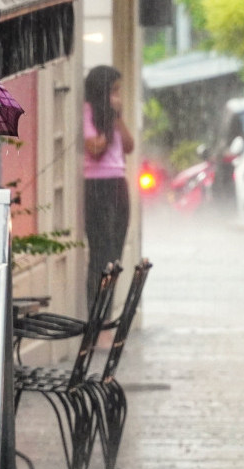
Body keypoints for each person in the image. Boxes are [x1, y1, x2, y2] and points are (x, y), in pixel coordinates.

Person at [83, 65, 135, 307]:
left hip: (117, 183)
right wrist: (106, 122)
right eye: (113, 91)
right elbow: (95, 148)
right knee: (100, 251)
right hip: (97, 185)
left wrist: (117, 118)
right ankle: (96, 308)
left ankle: (108, 307)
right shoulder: (88, 112)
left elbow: (129, 145)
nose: (117, 96)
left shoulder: (114, 117)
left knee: (115, 249)